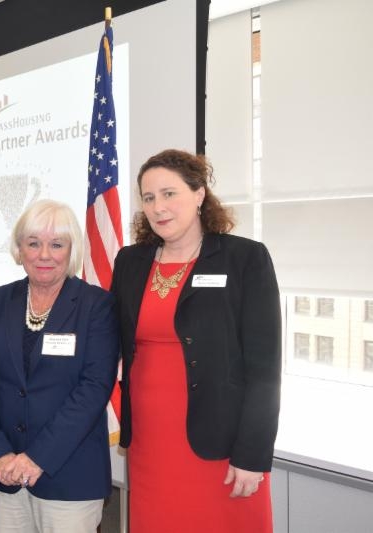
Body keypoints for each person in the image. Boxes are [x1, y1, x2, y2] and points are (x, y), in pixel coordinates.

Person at [110, 149, 281, 532]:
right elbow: (110, 340)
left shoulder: (244, 259)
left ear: (199, 194)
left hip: (221, 442)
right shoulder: (131, 262)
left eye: (169, 194)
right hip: (151, 444)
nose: (158, 207)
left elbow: (265, 369)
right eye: (149, 198)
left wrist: (252, 454)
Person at [0, 199, 120, 533]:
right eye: (33, 243)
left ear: (71, 249)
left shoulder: (97, 306)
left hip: (69, 471)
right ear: (19, 249)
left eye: (56, 244)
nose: (44, 255)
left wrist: (37, 458)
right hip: (5, 469)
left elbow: (93, 390)